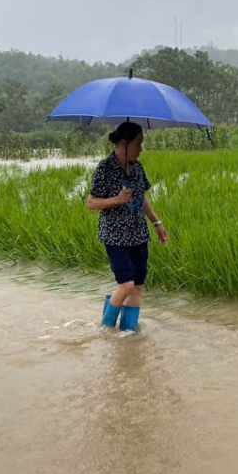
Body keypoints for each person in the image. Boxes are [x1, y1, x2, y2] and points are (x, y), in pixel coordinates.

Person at [86, 122, 168, 331]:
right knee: (126, 285)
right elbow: (91, 202)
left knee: (137, 287)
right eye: (138, 144)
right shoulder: (105, 168)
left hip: (139, 234)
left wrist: (157, 223)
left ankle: (128, 334)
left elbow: (142, 197)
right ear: (123, 143)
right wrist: (116, 200)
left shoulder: (137, 167)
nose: (141, 149)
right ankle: (105, 330)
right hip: (115, 237)